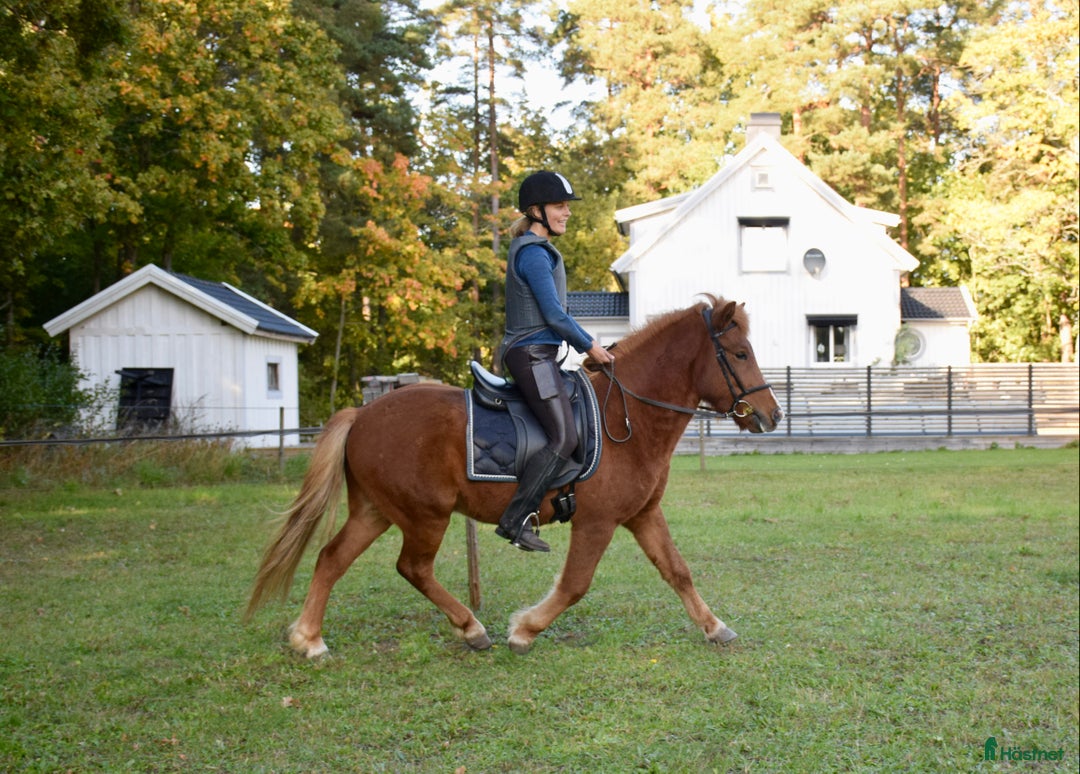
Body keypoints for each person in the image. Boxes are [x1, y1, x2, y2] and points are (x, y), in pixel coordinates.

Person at [494, 170, 615, 552]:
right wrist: (591, 347)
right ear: (537, 211)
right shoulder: (532, 254)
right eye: (560, 206)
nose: (567, 212)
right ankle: (515, 520)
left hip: (541, 354)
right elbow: (554, 315)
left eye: (566, 206)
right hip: (531, 356)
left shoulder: (538, 250)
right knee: (564, 436)